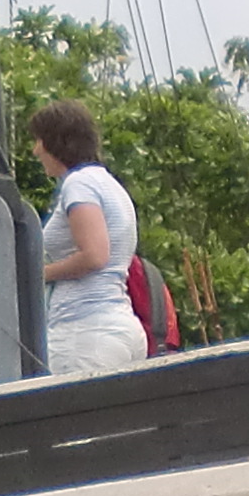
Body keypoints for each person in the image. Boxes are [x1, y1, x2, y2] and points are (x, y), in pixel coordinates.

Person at [26, 99, 147, 375]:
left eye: (39, 141)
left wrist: (35, 274)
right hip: (118, 328)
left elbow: (94, 255)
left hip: (84, 332)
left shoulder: (78, 184)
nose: (35, 151)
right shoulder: (109, 185)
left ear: (57, 142)